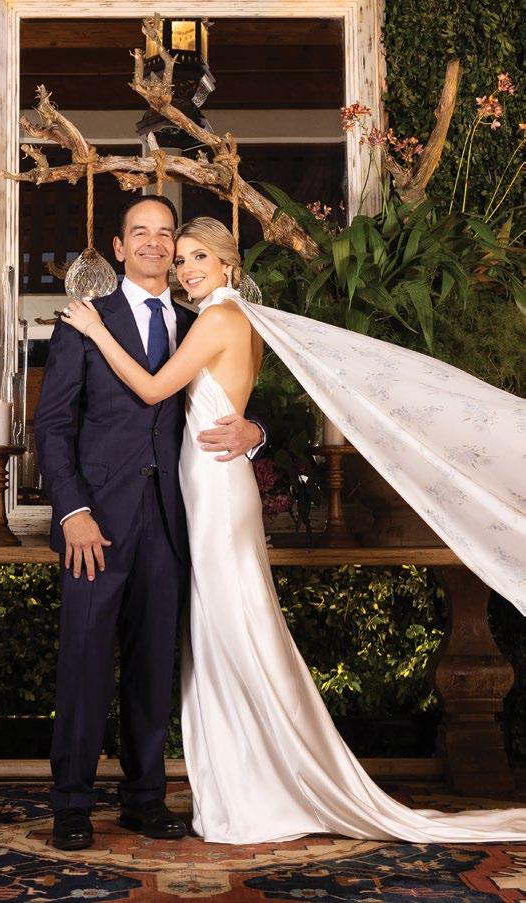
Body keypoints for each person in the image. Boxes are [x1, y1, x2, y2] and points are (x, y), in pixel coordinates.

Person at [63, 215, 526, 845]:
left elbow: (154, 392)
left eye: (198, 256)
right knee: (223, 633)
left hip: (211, 496)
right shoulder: (217, 318)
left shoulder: (217, 318)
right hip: (190, 494)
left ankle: (261, 784)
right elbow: (219, 404)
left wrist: (96, 329)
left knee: (231, 632)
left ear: (229, 265)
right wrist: (251, 430)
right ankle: (241, 778)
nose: (185, 267)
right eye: (183, 257)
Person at [34, 199, 266, 851]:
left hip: (174, 519)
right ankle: (72, 804)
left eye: (167, 234)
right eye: (141, 232)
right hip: (96, 523)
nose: (156, 244)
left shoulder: (202, 317)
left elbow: (240, 399)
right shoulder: (84, 320)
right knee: (84, 660)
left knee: (154, 664)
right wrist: (72, 510)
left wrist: (255, 431)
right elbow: (53, 426)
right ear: (118, 246)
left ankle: (144, 799)